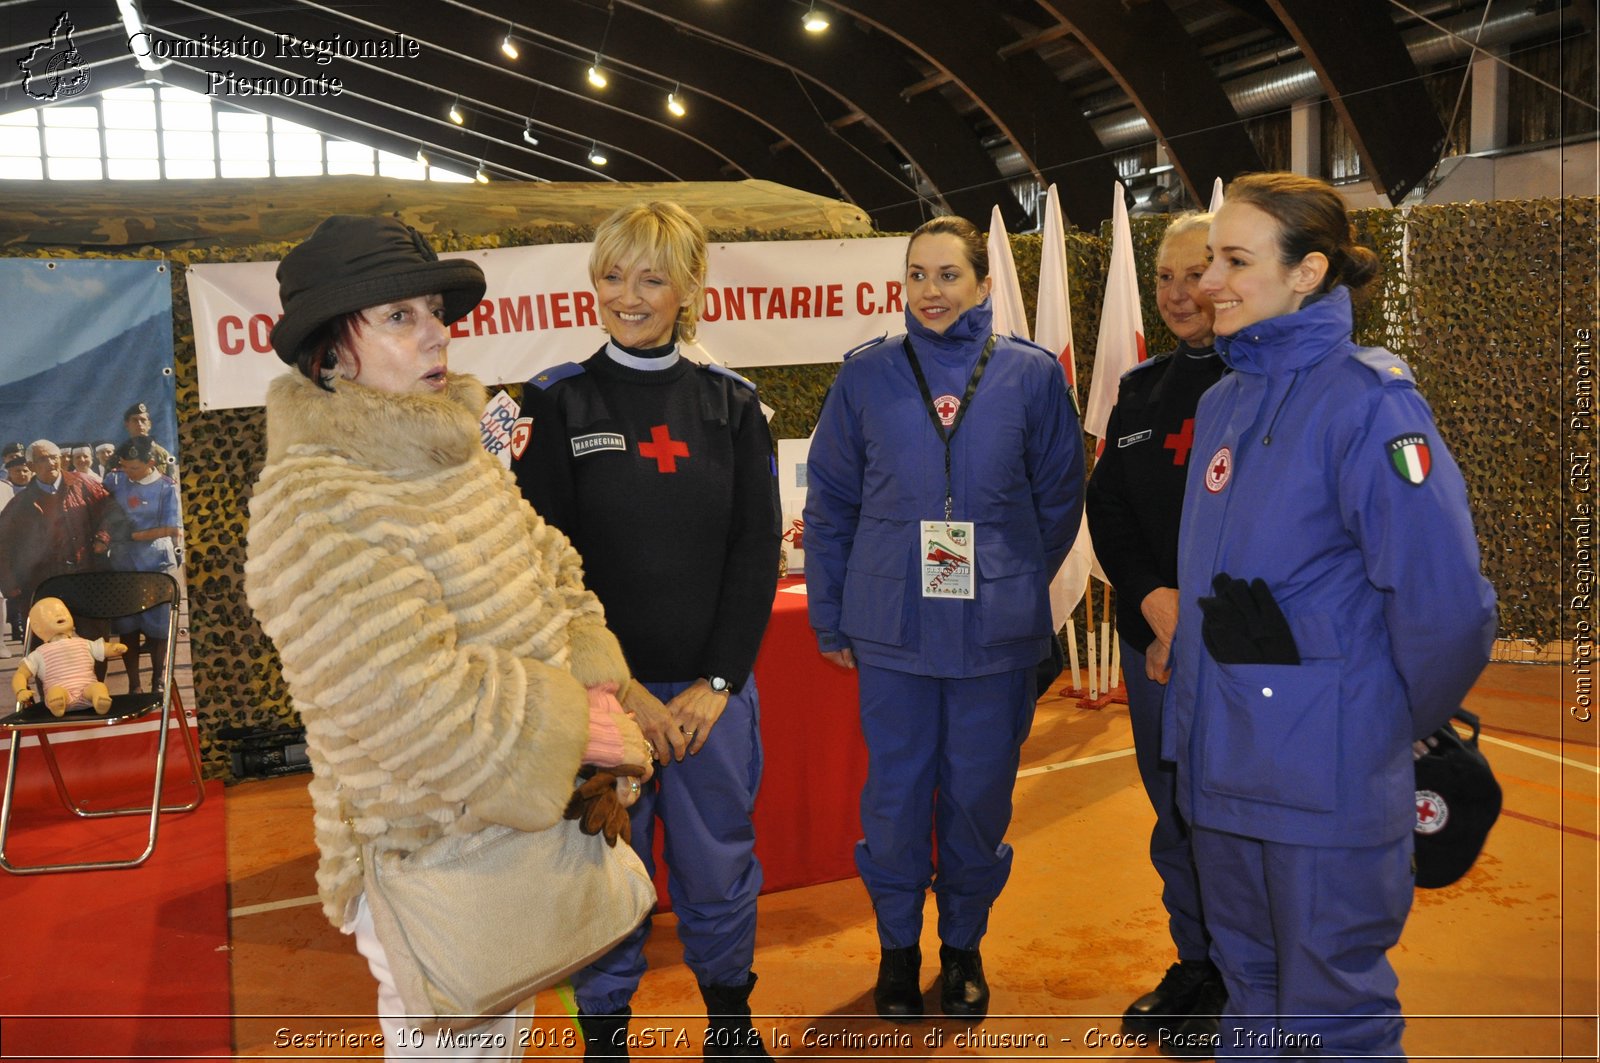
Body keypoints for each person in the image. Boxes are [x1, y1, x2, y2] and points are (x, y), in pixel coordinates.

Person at [243, 215, 657, 1061]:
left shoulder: (450, 450)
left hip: (511, 829)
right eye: (400, 316)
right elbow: (405, 696)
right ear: (331, 352)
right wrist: (576, 724)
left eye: (433, 309)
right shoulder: (313, 499)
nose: (437, 332)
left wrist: (593, 672)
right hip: (429, 849)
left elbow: (551, 563)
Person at [1166, 172, 1497, 1060]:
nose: (1208, 284)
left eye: (1236, 261)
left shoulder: (1370, 402)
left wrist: (1386, 724)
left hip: (1326, 777)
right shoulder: (1222, 399)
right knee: (1251, 993)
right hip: (1221, 766)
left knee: (1331, 1014)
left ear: (1308, 271)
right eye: (1209, 261)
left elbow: (1446, 605)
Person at [512, 201, 782, 1059]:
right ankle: (605, 1039)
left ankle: (731, 1027)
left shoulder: (733, 406)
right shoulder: (553, 402)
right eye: (614, 274)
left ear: (688, 288)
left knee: (718, 868)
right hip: (598, 699)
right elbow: (545, 570)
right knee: (598, 868)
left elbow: (753, 554)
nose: (629, 295)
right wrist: (616, 694)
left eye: (652, 276)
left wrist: (715, 684)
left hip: (708, 702)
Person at [803, 215, 1084, 1022]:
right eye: (918, 275)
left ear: (985, 284)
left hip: (994, 635)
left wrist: (1010, 571)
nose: (932, 291)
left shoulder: (1031, 376)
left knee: (976, 799)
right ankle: (898, 949)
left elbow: (1060, 499)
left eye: (949, 275)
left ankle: (962, 947)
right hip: (891, 630)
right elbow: (832, 507)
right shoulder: (865, 376)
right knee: (894, 799)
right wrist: (832, 617)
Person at [1084, 212, 1228, 1042]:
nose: (1179, 293)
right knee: (1172, 809)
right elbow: (1110, 512)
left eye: (1197, 272)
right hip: (1155, 648)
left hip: (1239, 653)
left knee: (1236, 818)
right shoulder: (1138, 392)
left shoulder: (1268, 385)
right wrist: (1152, 601)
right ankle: (1197, 965)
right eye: (1166, 277)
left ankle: (1252, 975)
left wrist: (1198, 614)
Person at [105, 436, 181, 693]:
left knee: (158, 627)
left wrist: (133, 536)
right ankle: (134, 684)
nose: (128, 472)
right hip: (123, 565)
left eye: (134, 467)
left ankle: (157, 679)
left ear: (150, 462)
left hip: (154, 565)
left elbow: (171, 528)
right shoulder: (115, 481)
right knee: (127, 626)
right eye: (124, 465)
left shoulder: (166, 488)